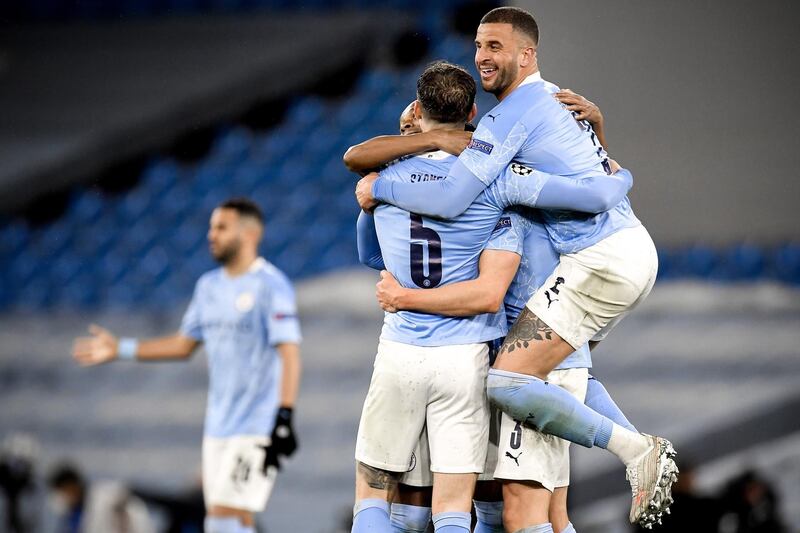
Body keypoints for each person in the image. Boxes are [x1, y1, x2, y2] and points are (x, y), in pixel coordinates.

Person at [355, 6, 676, 528]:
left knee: (514, 499)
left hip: (488, 336)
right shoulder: (549, 110)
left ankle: (637, 449)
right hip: (553, 315)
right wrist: (615, 164)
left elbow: (416, 213)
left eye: (495, 47)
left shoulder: (497, 151)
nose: (482, 56)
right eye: (478, 46)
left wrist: (378, 187)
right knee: (536, 510)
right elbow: (591, 181)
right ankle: (635, 448)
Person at [71, 198, 302, 533]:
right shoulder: (208, 287)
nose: (212, 235)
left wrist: (284, 416)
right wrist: (120, 348)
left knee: (226, 519)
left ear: (250, 233)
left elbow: (290, 352)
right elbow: (183, 345)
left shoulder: (271, 284)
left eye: (221, 227)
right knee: (223, 521)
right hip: (217, 427)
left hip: (255, 427)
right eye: (211, 227)